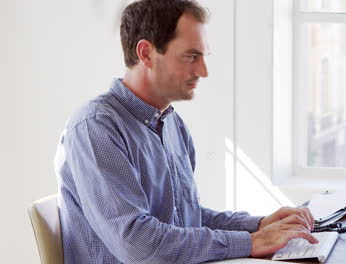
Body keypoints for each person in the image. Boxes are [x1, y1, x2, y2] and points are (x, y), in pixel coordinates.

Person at [54, 0, 318, 263]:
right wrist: (250, 242)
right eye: (191, 57)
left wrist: (259, 225)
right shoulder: (96, 128)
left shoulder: (172, 124)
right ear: (146, 53)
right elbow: (137, 244)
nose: (203, 71)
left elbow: (185, 217)